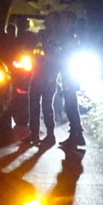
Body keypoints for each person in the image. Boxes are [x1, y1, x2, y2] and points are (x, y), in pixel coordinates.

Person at [29, 11, 63, 144]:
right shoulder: (42, 34)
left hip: (48, 74)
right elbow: (36, 52)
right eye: (47, 20)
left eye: (50, 20)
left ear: (55, 21)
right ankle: (34, 134)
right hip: (37, 73)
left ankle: (50, 135)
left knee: (47, 106)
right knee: (33, 104)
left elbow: (57, 58)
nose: (47, 22)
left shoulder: (57, 36)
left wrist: (51, 76)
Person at [56, 11, 86, 148]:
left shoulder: (71, 35)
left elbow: (66, 54)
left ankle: (76, 135)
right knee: (71, 105)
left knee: (71, 106)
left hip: (70, 74)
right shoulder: (74, 34)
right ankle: (77, 135)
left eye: (65, 20)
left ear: (70, 22)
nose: (63, 23)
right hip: (69, 73)